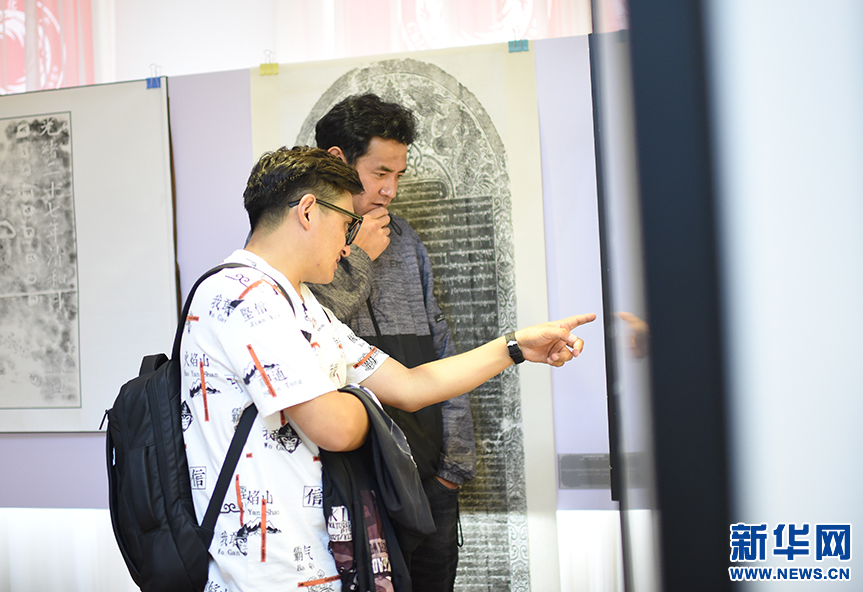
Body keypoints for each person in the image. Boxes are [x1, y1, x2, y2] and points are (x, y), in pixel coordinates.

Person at [180, 146, 594, 592]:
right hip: (265, 576)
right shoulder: (242, 294)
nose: (348, 245)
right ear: (307, 211)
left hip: (325, 561)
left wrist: (514, 346)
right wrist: (361, 402)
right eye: (347, 223)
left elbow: (410, 385)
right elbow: (334, 428)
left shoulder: (302, 302)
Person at [307, 93, 472, 591]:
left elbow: (440, 343)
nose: (391, 190)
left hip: (430, 479)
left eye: (398, 174)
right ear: (338, 159)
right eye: (380, 173)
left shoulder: (405, 238)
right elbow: (306, 335)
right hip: (350, 483)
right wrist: (357, 257)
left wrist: (454, 465)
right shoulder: (300, 242)